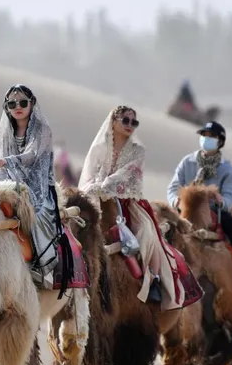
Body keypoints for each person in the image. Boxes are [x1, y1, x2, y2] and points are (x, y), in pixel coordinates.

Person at [80, 106, 202, 309]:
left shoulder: (138, 150)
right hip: (96, 197)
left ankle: (150, 280)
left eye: (133, 122)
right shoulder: (99, 147)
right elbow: (88, 174)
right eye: (125, 120)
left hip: (128, 201)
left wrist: (105, 186)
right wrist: (95, 189)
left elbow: (128, 175)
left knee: (147, 232)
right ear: (113, 121)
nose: (130, 125)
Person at [0, 84, 74, 288]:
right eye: (12, 103)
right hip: (10, 182)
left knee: (36, 218)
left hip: (37, 188)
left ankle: (43, 266)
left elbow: (31, 156)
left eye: (23, 102)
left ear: (32, 104)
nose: (18, 107)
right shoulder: (7, 132)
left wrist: (9, 161)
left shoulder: (43, 130)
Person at [167, 120, 232, 283]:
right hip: (184, 209)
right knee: (163, 227)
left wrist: (220, 201)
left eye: (211, 136)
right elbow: (173, 187)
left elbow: (231, 198)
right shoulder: (187, 162)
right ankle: (156, 267)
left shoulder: (227, 169)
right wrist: (176, 201)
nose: (206, 138)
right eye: (204, 135)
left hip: (214, 212)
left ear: (220, 141)